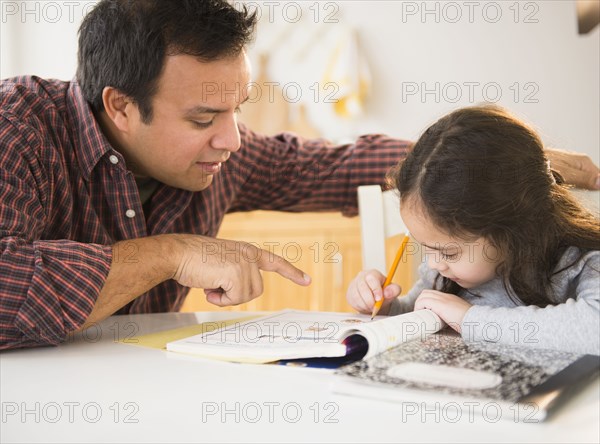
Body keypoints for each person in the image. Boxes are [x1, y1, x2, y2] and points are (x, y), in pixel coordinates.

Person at [0, 1, 597, 351]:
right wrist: (170, 255)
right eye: (205, 117)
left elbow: (331, 165)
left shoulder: (223, 155)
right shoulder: (17, 130)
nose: (232, 138)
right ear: (121, 107)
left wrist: (477, 160)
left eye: (237, 108)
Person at [346, 105, 600, 355]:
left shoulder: (579, 262)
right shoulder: (445, 274)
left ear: (512, 228)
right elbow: (422, 314)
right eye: (426, 247)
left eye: (448, 253)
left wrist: (470, 319)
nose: (433, 264)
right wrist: (386, 306)